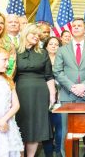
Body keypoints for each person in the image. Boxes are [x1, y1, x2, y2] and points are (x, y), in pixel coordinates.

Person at [53, 18, 85, 157]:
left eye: (79, 26)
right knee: (65, 132)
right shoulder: (62, 50)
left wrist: (84, 86)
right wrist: (72, 87)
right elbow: (57, 71)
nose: (76, 28)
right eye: (73, 26)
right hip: (68, 96)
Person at [15, 24, 56, 157]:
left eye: (38, 35)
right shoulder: (14, 51)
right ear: (25, 34)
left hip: (40, 94)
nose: (36, 37)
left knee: (35, 127)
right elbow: (10, 76)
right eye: (33, 34)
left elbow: (49, 76)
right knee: (21, 126)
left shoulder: (43, 53)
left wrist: (52, 95)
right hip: (20, 93)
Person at [42, 36, 63, 157]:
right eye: (51, 44)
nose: (54, 46)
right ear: (46, 46)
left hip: (60, 99)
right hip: (44, 98)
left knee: (60, 126)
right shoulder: (41, 60)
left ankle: (59, 151)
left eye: (56, 44)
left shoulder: (63, 60)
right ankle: (48, 154)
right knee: (47, 128)